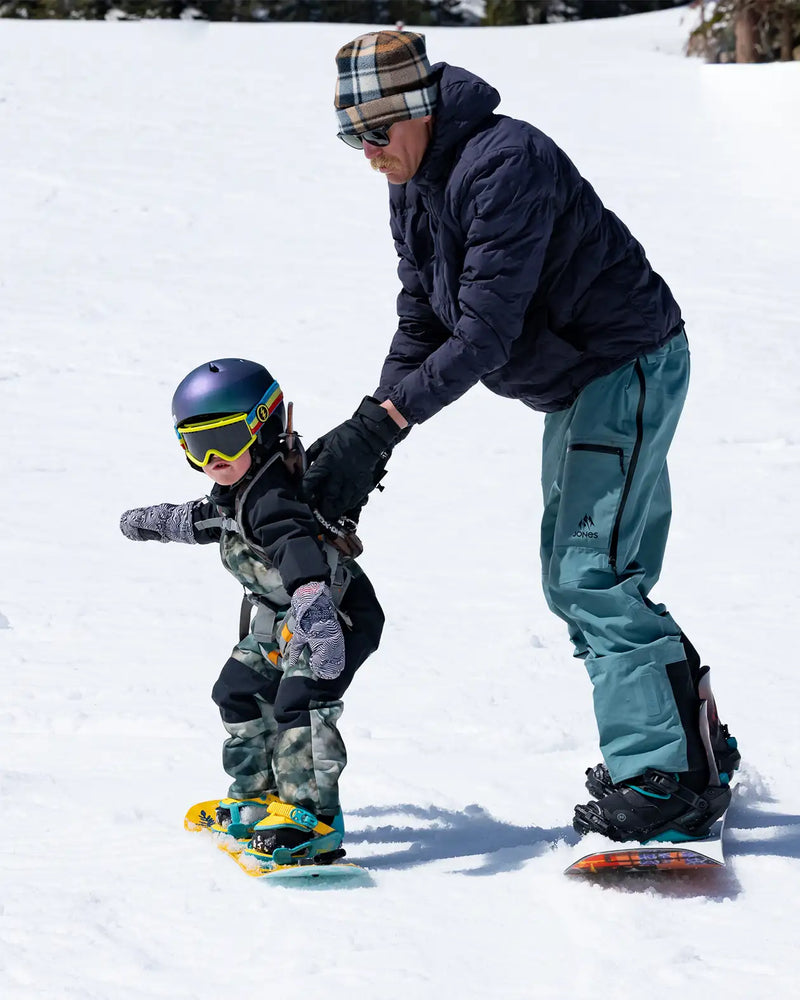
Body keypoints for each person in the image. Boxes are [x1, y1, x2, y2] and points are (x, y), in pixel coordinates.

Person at [300, 30, 739, 844]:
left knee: (591, 574)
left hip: (625, 364)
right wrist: (373, 428)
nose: (364, 153)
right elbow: (423, 320)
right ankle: (687, 748)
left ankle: (666, 779)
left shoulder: (505, 164)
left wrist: (388, 422)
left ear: (416, 111)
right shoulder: (415, 182)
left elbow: (486, 331)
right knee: (587, 575)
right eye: (347, 135)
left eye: (372, 131)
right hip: (584, 382)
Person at [120, 358, 384, 866]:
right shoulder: (237, 491)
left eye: (226, 438)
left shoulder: (273, 497)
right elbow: (206, 519)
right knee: (238, 692)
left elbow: (295, 549)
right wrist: (159, 522)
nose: (214, 457)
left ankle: (314, 821)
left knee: (299, 706)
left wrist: (312, 603)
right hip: (280, 622)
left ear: (262, 428)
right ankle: (258, 798)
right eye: (198, 445)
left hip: (330, 618)